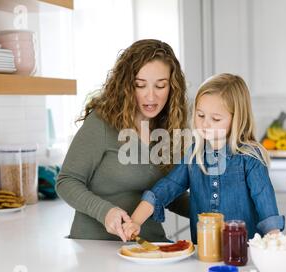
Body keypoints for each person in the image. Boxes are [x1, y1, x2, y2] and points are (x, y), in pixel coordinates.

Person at [123, 73, 285, 243]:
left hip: (244, 253)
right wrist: (135, 221)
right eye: (200, 115)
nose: (205, 124)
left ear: (237, 119)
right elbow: (167, 188)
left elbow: (265, 202)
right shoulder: (194, 154)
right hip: (203, 252)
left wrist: (274, 242)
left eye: (215, 119)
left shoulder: (250, 158)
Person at [56, 39, 190, 242]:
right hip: (96, 245)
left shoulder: (169, 129)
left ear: (172, 87)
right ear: (127, 85)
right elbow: (66, 181)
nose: (151, 96)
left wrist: (212, 210)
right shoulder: (102, 122)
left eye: (160, 86)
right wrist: (105, 212)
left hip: (149, 244)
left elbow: (168, 192)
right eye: (140, 85)